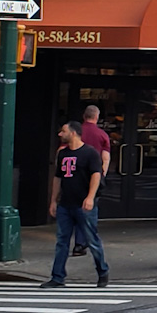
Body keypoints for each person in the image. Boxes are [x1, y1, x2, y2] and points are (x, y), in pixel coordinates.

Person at [43, 121, 108, 288]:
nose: (60, 134)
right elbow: (58, 178)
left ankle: (102, 271)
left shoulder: (89, 153)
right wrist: (53, 200)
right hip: (65, 204)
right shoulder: (62, 154)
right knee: (62, 240)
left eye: (63, 131)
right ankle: (57, 277)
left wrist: (90, 197)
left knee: (92, 239)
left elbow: (96, 175)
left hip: (82, 204)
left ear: (73, 133)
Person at [72, 105, 112, 257]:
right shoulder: (102, 135)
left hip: (74, 177)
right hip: (92, 177)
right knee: (90, 211)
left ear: (84, 116)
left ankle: (78, 243)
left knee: (75, 209)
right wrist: (102, 175)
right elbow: (106, 158)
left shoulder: (75, 133)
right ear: (96, 117)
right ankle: (87, 242)